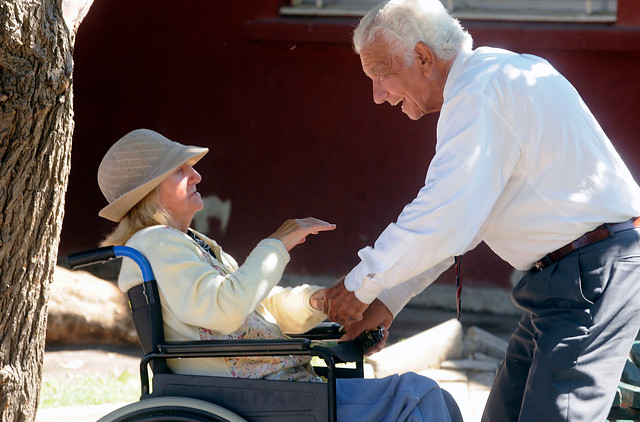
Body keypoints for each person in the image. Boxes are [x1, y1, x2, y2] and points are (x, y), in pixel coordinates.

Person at [321, 0, 640, 421]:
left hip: (591, 273)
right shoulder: (486, 80)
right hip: (565, 278)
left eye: (381, 75)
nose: (379, 96)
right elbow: (462, 222)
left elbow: (443, 215)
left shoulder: (480, 91)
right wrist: (389, 300)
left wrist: (358, 287)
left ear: (422, 58)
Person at [96, 128, 462, 422]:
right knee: (421, 397)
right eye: (179, 170)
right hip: (262, 396)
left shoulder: (186, 242)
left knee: (439, 399)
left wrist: (317, 302)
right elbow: (225, 307)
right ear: (149, 193)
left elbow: (257, 304)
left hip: (277, 387)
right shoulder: (156, 243)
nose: (196, 174)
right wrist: (277, 244)